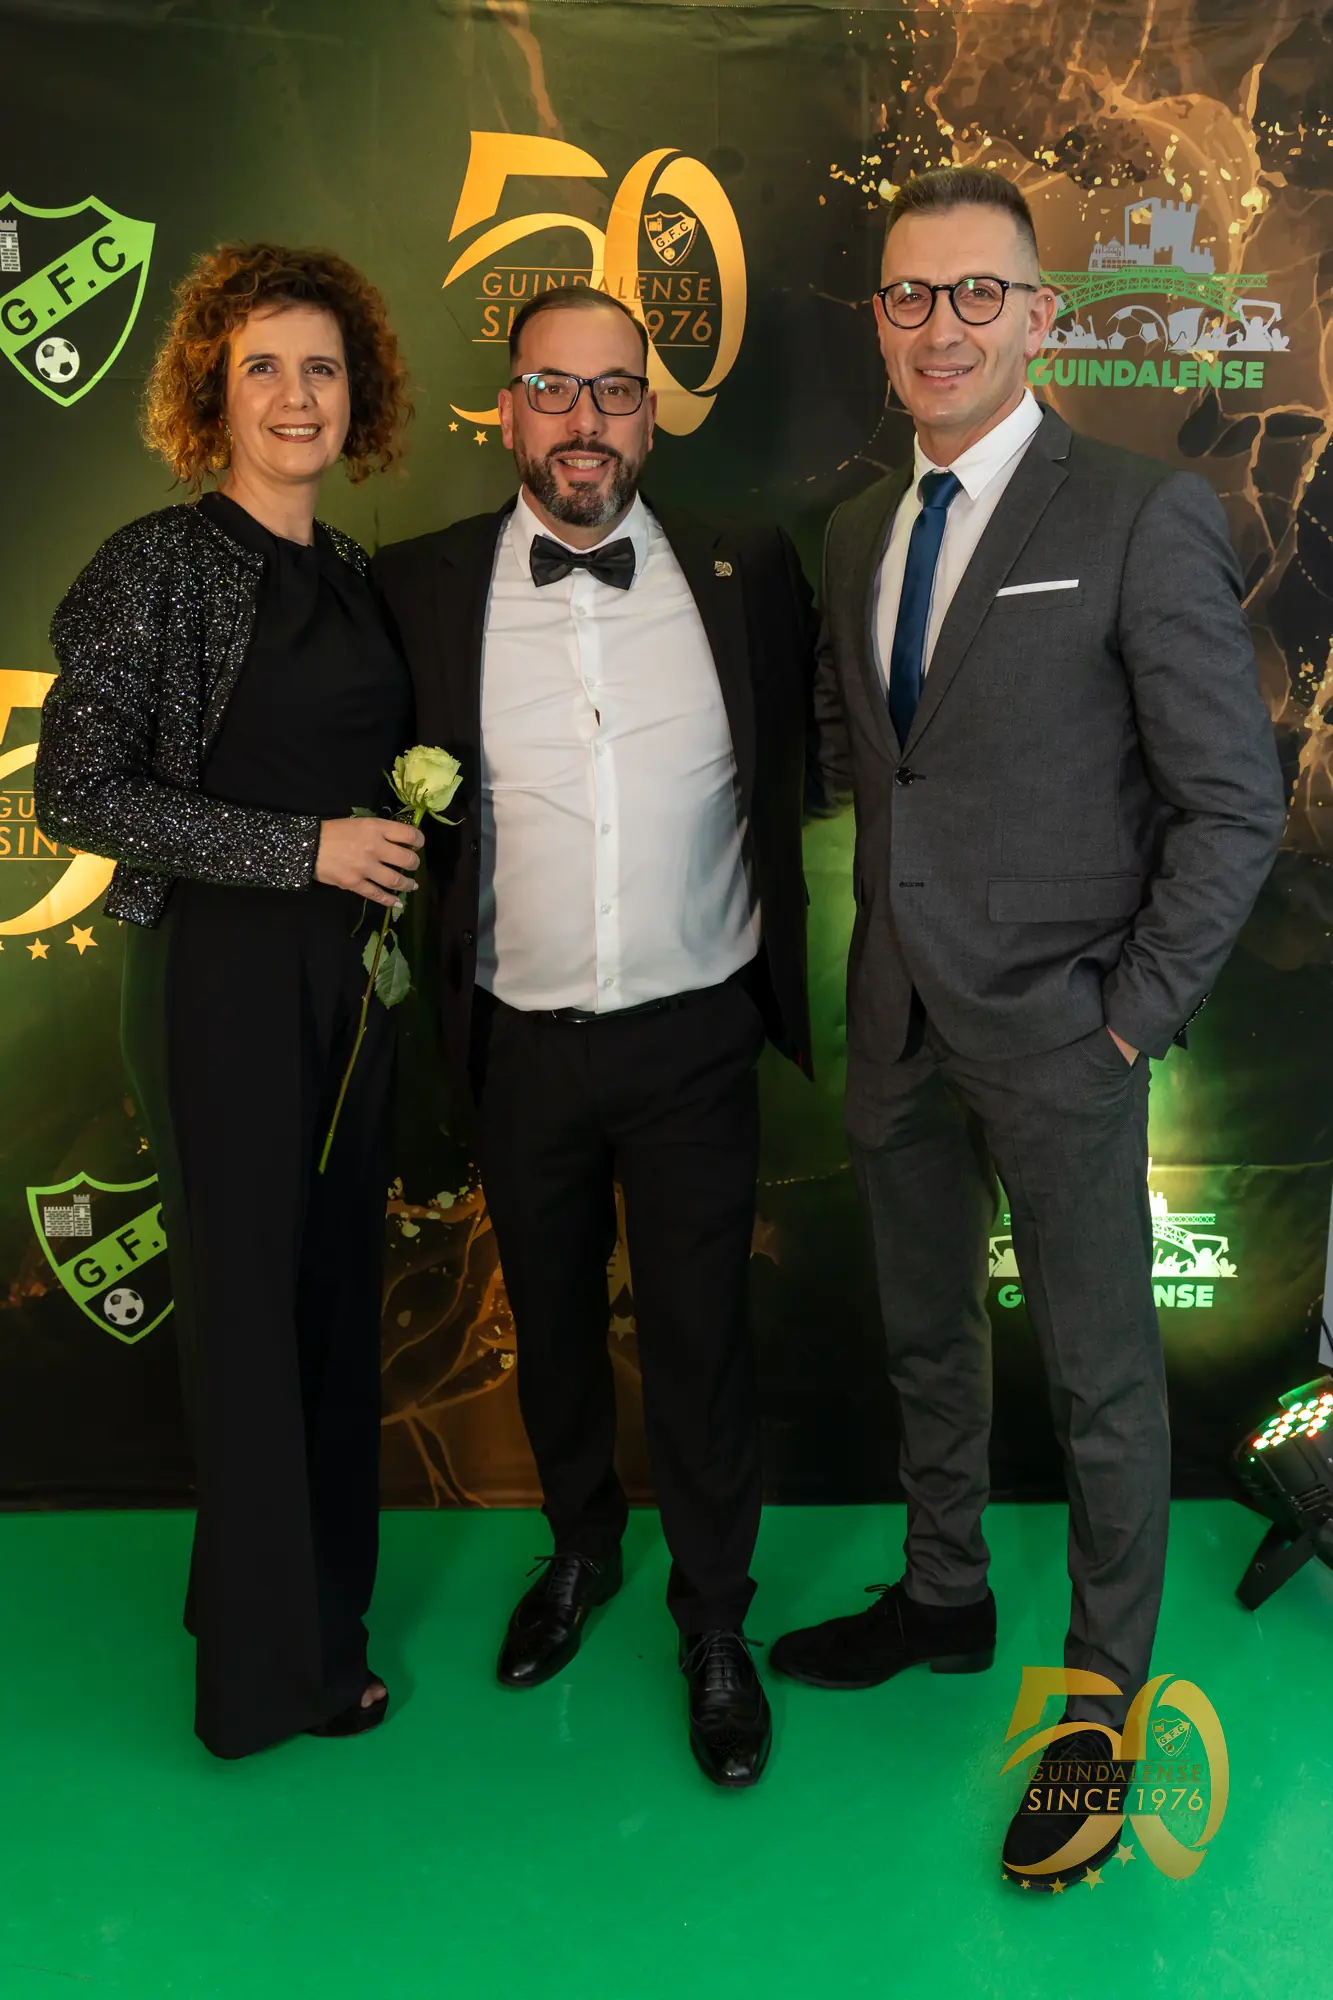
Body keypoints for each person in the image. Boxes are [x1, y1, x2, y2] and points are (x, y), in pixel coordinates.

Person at [773, 168, 1286, 1881]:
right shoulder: (859, 533)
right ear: (881, 323)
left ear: (1040, 316)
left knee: (1099, 1376)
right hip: (897, 1023)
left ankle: (1101, 1703)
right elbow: (883, 773)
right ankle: (944, 1596)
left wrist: (1128, 1023)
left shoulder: (1142, 513)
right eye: (911, 297)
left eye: (977, 293)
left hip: (1069, 1037)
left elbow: (1234, 805)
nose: (943, 326)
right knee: (927, 1338)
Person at [373, 287, 814, 1788]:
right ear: (509, 409)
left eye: (614, 390)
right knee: (550, 1327)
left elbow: (819, 760)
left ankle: (716, 1617)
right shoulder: (421, 585)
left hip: (697, 1034)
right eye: (554, 390)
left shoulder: (748, 569)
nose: (584, 421)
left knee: (700, 1342)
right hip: (518, 1039)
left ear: (651, 413)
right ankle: (580, 1549)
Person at [36, 243, 419, 1759]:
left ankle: (300, 1611)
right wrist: (303, 850)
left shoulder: (361, 574)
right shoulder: (158, 564)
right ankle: (270, 1681)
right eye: (264, 365)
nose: (296, 394)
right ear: (213, 388)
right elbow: (76, 790)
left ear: (358, 395)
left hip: (356, 988)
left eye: (322, 366)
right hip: (221, 984)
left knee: (329, 1304)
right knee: (254, 1320)